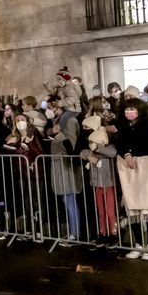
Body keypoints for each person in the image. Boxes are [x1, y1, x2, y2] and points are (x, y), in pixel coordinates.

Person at [113, 98, 148, 260]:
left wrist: (133, 153)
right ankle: (138, 244)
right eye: (127, 109)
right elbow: (120, 142)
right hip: (129, 172)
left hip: (147, 170)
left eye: (133, 109)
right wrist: (127, 154)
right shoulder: (123, 125)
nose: (129, 112)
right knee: (132, 207)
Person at [46, 96, 83, 244]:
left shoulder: (70, 121)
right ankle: (72, 231)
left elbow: (71, 145)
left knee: (70, 199)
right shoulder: (57, 121)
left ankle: (75, 232)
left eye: (51, 107)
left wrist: (57, 134)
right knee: (65, 198)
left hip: (66, 164)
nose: (48, 111)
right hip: (58, 163)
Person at [79, 114, 118, 245]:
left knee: (110, 211)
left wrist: (99, 148)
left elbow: (112, 152)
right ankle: (103, 233)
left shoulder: (108, 149)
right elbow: (82, 152)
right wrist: (89, 155)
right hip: (97, 185)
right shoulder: (91, 153)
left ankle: (114, 234)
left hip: (109, 185)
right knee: (101, 211)